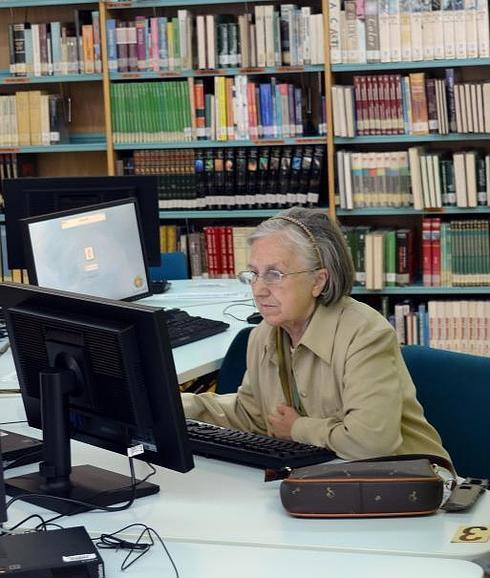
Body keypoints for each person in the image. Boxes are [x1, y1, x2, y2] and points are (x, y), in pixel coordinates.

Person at [182, 207, 450, 460]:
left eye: (274, 274)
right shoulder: (264, 335)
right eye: (253, 274)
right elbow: (252, 416)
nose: (258, 289)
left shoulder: (365, 333)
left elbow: (373, 443)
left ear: (318, 281)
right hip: (327, 479)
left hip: (406, 486)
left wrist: (298, 428)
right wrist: (173, 406)